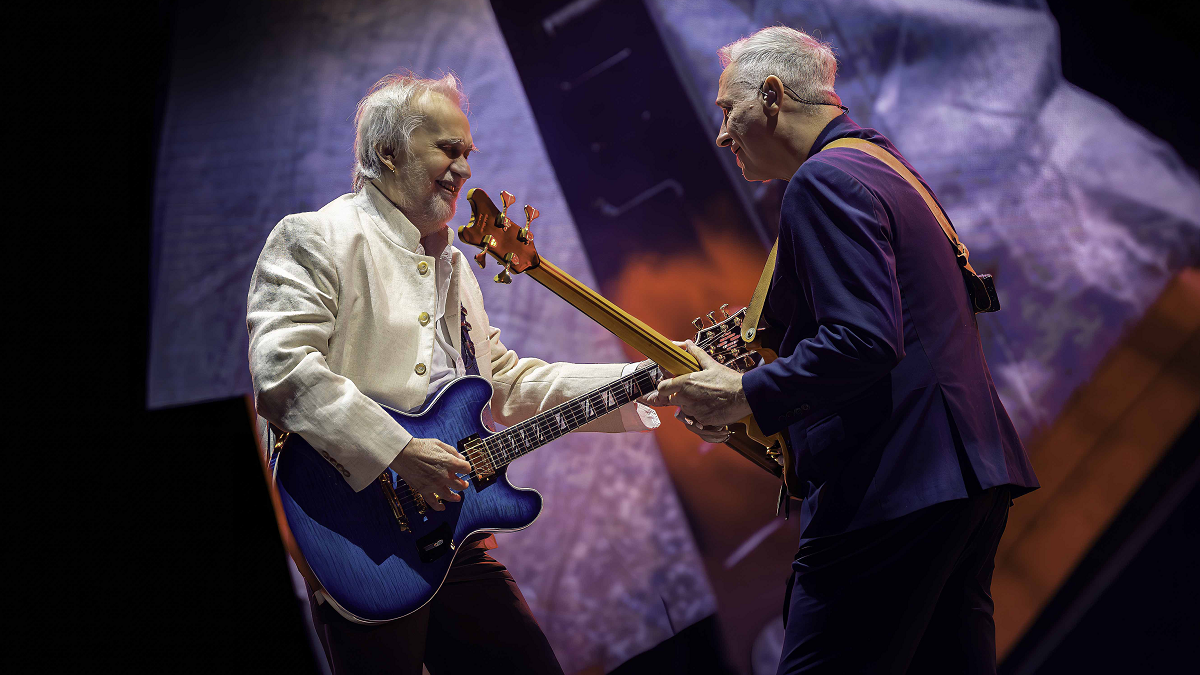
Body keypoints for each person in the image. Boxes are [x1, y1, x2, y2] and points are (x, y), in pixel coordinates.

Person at [650, 27, 1039, 674]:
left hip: (890, 489)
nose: (722, 134)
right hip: (968, 475)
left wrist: (745, 394)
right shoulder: (883, 165)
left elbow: (863, 338)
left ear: (772, 96)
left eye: (727, 110)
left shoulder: (821, 182)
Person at [246, 72, 658, 675]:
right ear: (387, 152)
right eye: (448, 149)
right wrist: (398, 450)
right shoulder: (315, 238)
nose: (465, 168)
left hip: (452, 536)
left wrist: (651, 377)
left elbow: (505, 382)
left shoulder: (454, 265)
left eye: (468, 152)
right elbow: (282, 371)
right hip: (358, 544)